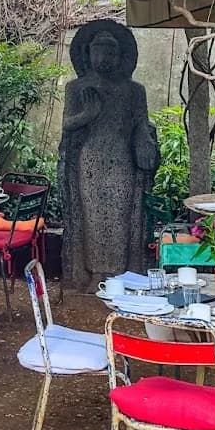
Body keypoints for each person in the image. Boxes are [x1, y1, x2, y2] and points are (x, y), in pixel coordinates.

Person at [58, 20, 159, 289]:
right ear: (88, 54)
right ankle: (95, 275)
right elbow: (67, 124)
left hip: (121, 160)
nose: (105, 57)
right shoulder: (77, 88)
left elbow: (141, 123)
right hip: (89, 161)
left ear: (121, 56)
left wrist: (143, 142)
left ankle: (119, 274)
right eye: (99, 51)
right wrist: (87, 115)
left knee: (120, 216)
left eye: (111, 52)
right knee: (92, 218)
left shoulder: (134, 90)